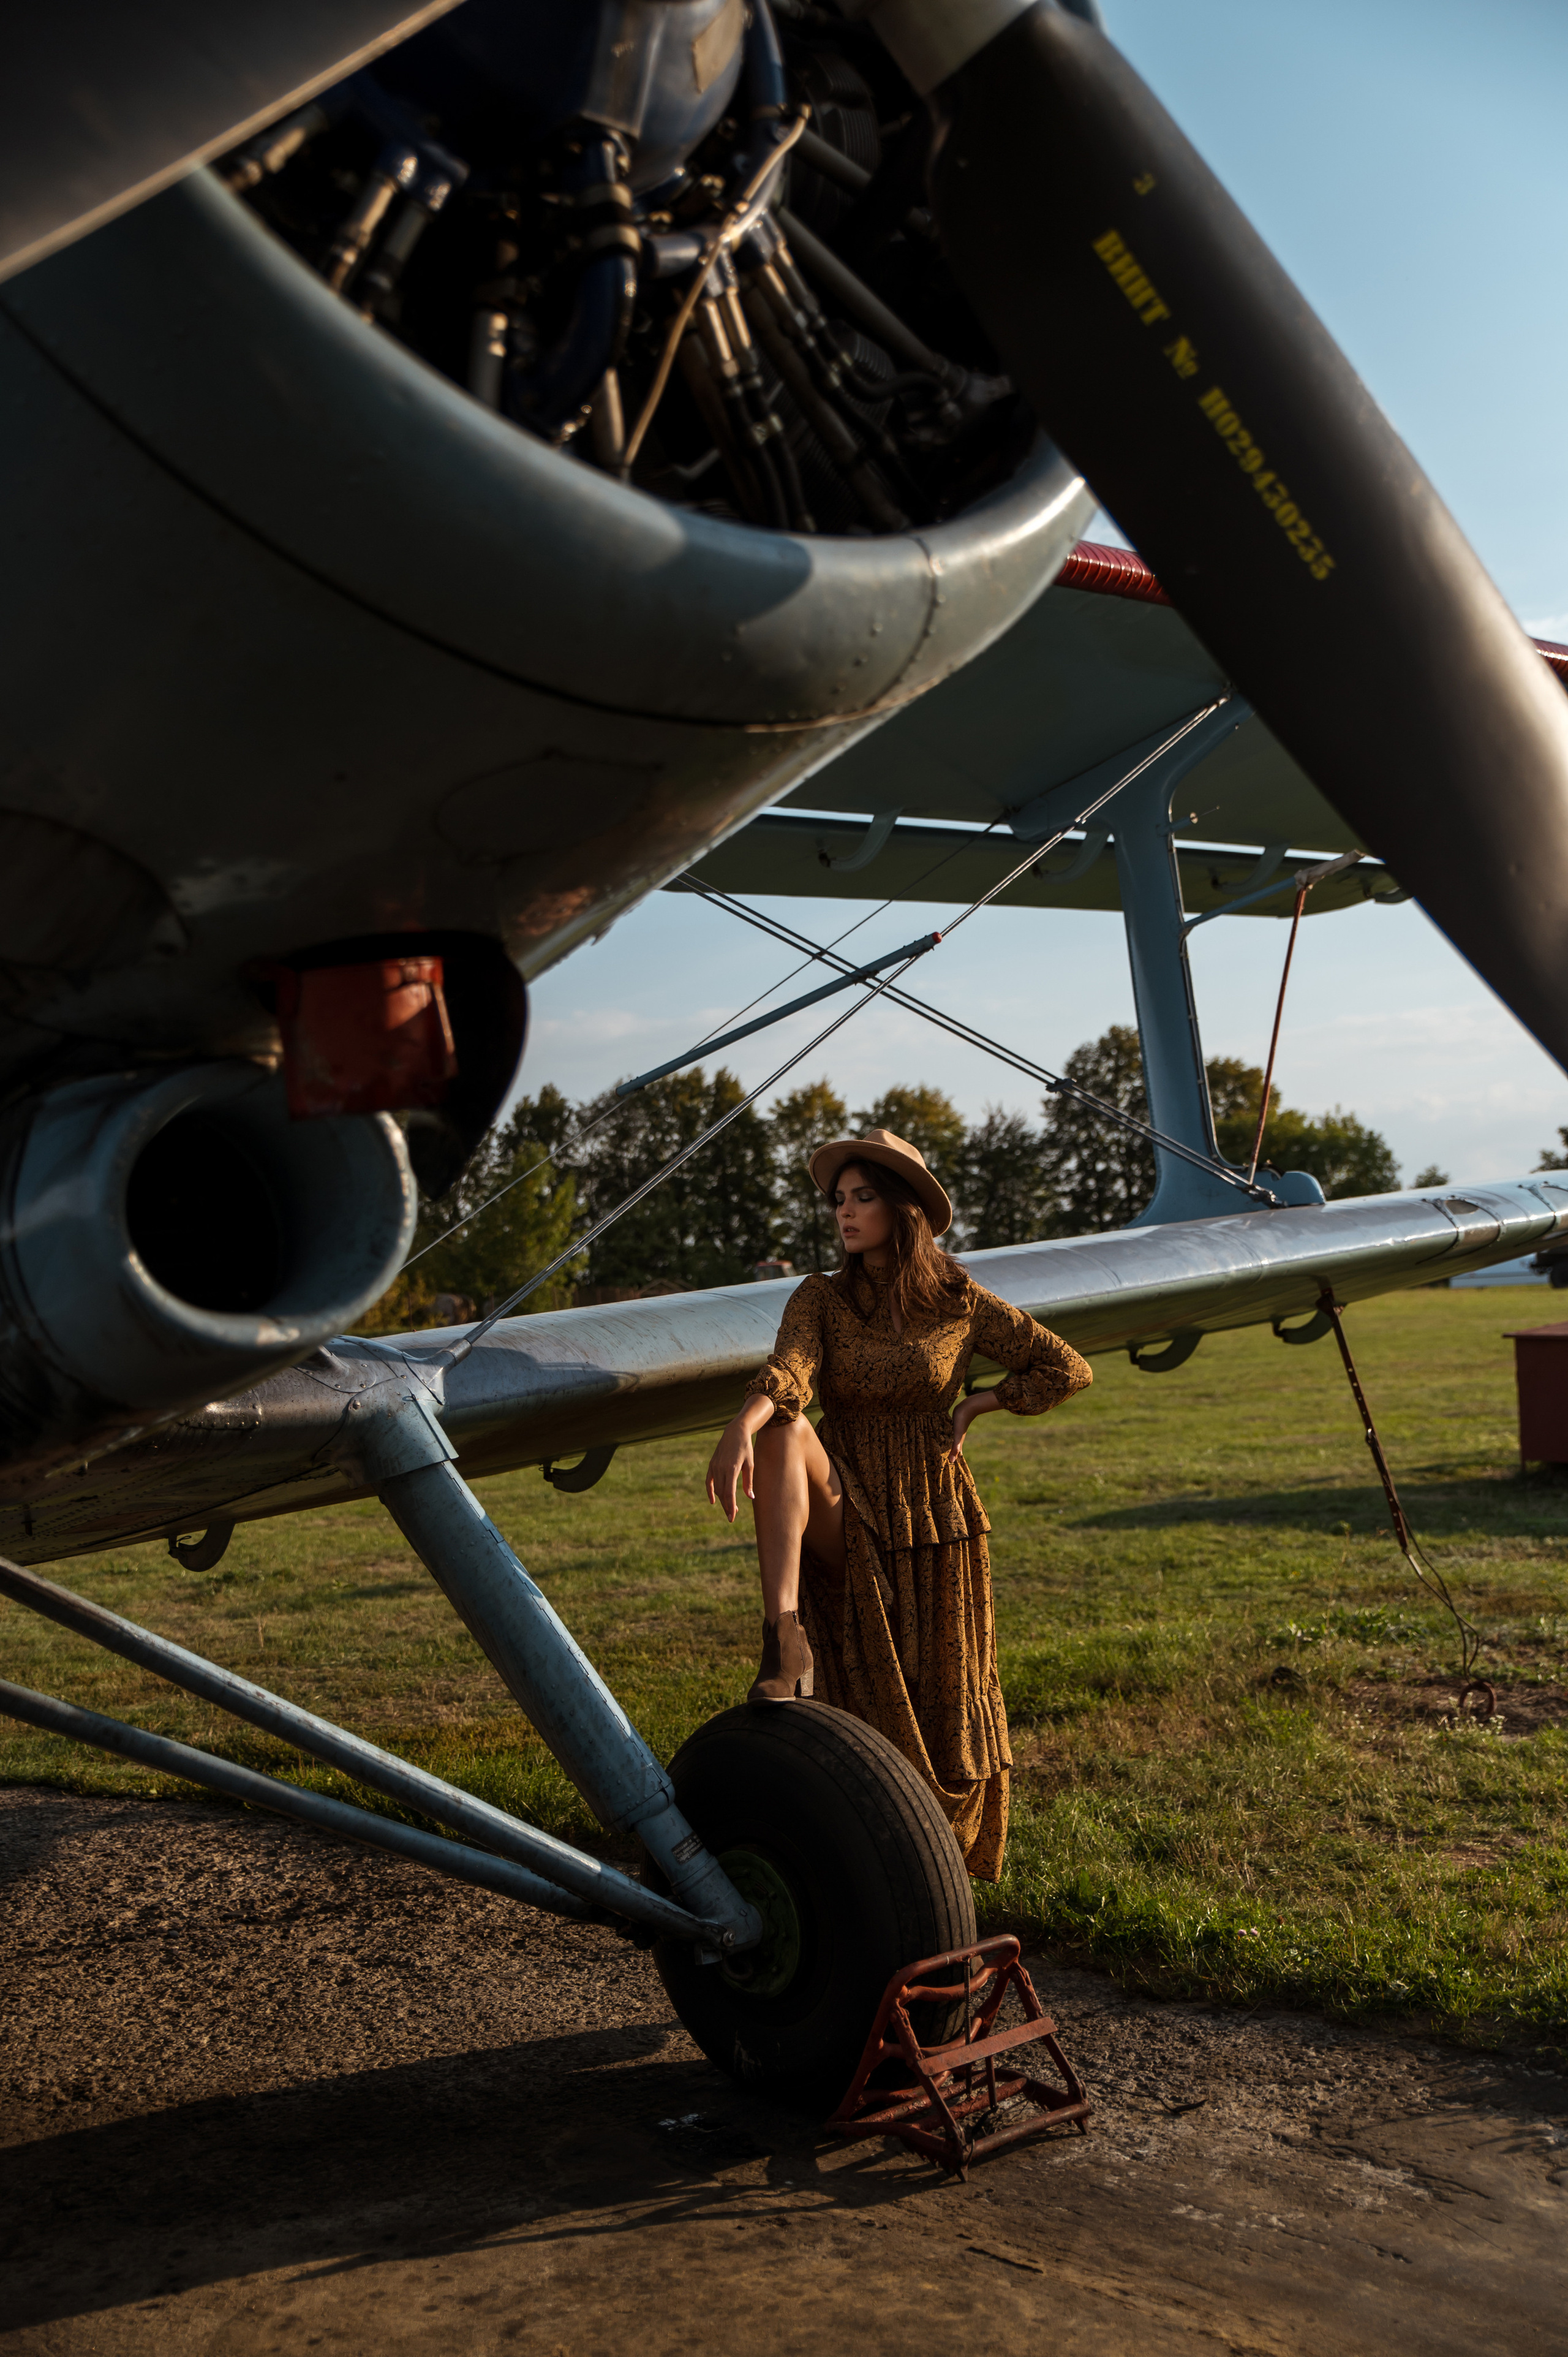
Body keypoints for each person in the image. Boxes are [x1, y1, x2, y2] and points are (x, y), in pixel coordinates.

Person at [706, 1126, 1091, 1880]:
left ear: (903, 1205)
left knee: (938, 1699)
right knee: (784, 1432)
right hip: (846, 1491)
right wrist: (740, 1425)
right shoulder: (820, 1295)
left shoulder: (958, 1299)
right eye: (837, 1200)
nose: (845, 1213)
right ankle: (783, 1637)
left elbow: (1064, 1366)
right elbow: (793, 1367)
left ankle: (930, 1876)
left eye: (863, 1197)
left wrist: (982, 1402)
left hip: (934, 1514)